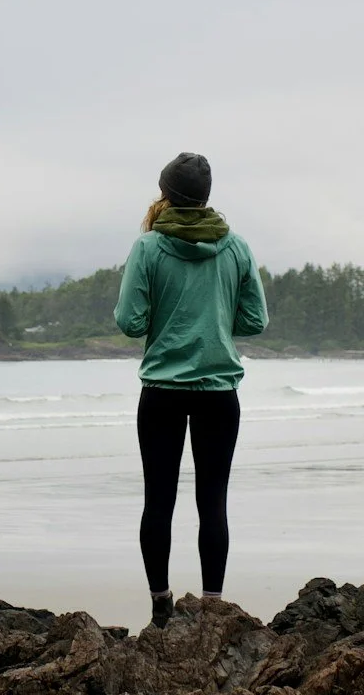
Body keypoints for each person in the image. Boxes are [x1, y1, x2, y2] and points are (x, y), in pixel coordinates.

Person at [114, 152, 268, 630]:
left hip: (161, 390)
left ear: (166, 195)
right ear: (205, 197)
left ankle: (161, 607)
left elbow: (129, 322)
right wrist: (214, 322)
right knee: (213, 502)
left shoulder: (148, 248)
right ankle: (212, 609)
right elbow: (255, 320)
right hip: (218, 392)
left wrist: (166, 321)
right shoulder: (236, 247)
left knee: (158, 501)